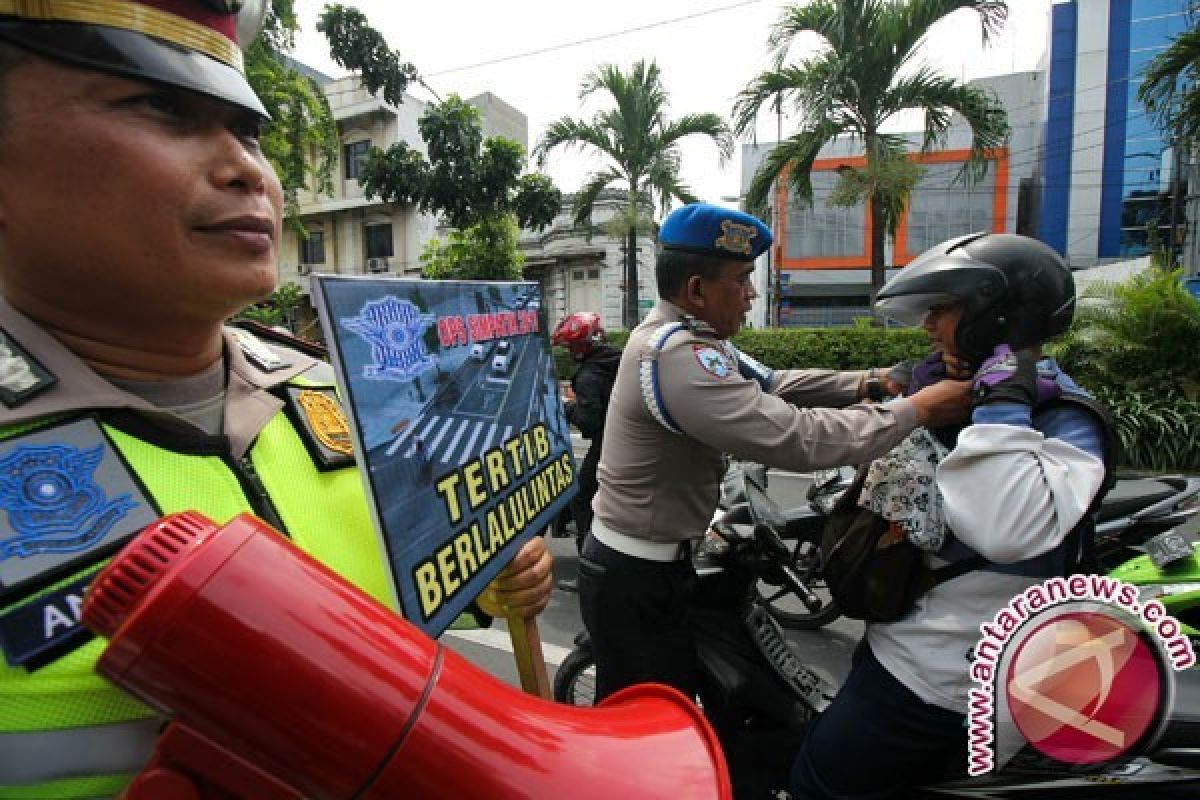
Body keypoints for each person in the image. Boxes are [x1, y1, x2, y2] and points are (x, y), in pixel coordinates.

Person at [0, 4, 551, 797]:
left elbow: (407, 597)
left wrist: (491, 580)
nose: (246, 171)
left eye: (248, 131)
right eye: (163, 109)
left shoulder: (343, 393)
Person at [578, 202, 973, 704]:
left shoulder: (695, 337)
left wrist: (874, 381)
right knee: (650, 726)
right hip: (634, 578)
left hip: (663, 565)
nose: (752, 294)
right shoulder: (677, 355)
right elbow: (796, 438)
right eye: (741, 280)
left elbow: (774, 382)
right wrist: (916, 409)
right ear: (697, 290)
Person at [789, 233, 1113, 799]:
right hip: (901, 644)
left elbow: (1005, 527)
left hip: (943, 678)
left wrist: (1003, 406)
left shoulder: (1064, 419)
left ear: (994, 317)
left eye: (943, 308)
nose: (928, 325)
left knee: (818, 785)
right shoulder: (951, 398)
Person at [551, 312, 621, 560]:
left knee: (581, 498)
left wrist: (568, 407)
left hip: (608, 444)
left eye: (571, 346)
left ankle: (589, 565)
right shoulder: (618, 358)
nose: (569, 351)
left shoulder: (589, 375)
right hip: (632, 440)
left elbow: (590, 424)